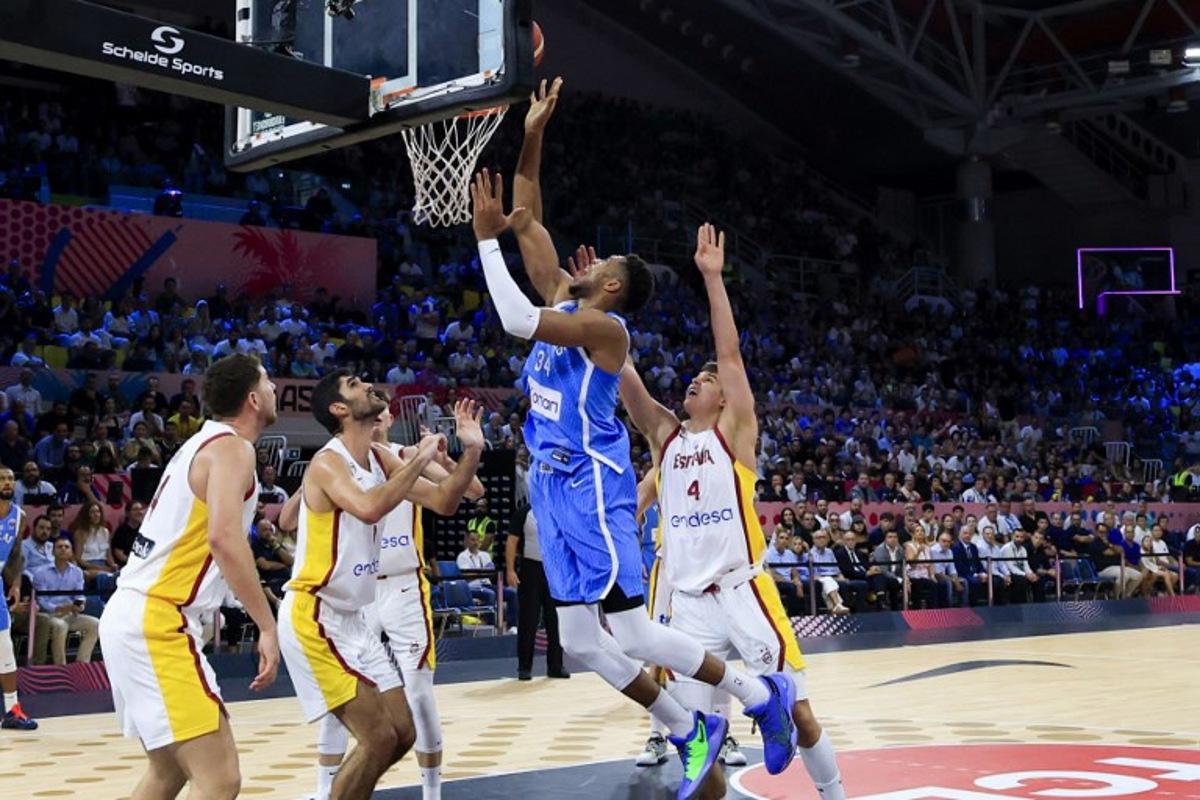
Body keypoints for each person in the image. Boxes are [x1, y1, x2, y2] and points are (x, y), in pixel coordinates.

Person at [469, 92, 797, 797]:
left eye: (601, 263)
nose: (581, 261)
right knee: (584, 643)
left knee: (635, 631)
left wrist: (481, 239)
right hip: (552, 488)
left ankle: (758, 696)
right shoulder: (567, 292)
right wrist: (532, 136)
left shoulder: (606, 333)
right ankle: (687, 729)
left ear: (610, 283)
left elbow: (517, 317)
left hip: (594, 484)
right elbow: (529, 213)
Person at [617, 223, 843, 795]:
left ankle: (834, 792)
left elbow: (729, 353)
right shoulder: (665, 437)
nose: (694, 381)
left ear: (723, 399)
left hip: (742, 590)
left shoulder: (736, 436)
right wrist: (593, 312)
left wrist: (713, 279)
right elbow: (626, 377)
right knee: (698, 740)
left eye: (705, 381)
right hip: (687, 603)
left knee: (802, 716)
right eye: (692, 379)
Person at [97, 354, 281, 798]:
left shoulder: (202, 443)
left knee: (168, 772)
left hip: (135, 613)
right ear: (253, 399)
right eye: (268, 380)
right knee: (219, 780)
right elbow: (223, 537)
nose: (275, 387)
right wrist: (267, 625)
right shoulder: (233, 448)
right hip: (158, 620)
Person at [299, 391, 486, 800]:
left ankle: (432, 791)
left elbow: (468, 491)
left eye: (384, 411)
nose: (380, 416)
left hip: (402, 584)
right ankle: (322, 790)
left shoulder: (399, 457)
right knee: (343, 704)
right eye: (374, 408)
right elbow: (285, 516)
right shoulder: (335, 465)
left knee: (417, 696)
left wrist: (455, 454)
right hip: (355, 595)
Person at [277, 370, 445, 800]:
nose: (367, 385)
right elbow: (370, 508)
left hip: (355, 616)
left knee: (402, 732)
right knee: (377, 737)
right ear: (339, 408)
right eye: (354, 384)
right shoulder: (328, 461)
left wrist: (472, 449)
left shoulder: (378, 456)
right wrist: (421, 459)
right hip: (316, 611)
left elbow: (445, 501)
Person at [507, 496, 568, 681]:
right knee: (528, 619)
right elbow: (511, 541)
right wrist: (510, 570)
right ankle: (524, 667)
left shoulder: (560, 509)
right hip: (530, 569)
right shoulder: (524, 512)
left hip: (555, 570)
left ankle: (556, 666)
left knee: (555, 619)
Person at [0, 466, 36, 729]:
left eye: (10, 478)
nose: (6, 483)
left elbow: (15, 553)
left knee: (5, 649)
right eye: (1, 479)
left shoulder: (19, 516)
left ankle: (12, 709)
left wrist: (14, 584)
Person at [31, 538, 99, 664]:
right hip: (48, 615)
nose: (63, 549)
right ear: (53, 551)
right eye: (60, 546)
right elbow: (41, 601)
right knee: (61, 625)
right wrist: (58, 608)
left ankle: (82, 664)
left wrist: (80, 605)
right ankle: (61, 666)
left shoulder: (77, 572)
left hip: (70, 613)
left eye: (67, 547)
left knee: (95, 624)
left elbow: (79, 595)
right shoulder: (41, 573)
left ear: (71, 552)